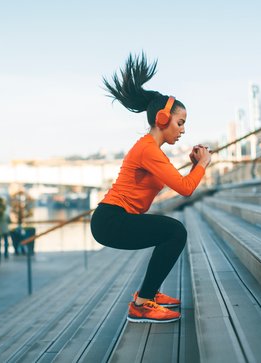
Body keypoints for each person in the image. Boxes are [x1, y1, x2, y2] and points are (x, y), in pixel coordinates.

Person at [90, 53, 211, 324]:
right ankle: (142, 304)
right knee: (174, 232)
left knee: (170, 232)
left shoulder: (152, 150)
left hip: (115, 218)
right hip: (111, 220)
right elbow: (185, 189)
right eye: (180, 123)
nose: (182, 131)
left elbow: (180, 183)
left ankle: (148, 295)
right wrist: (203, 164)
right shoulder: (148, 150)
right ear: (162, 118)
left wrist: (194, 167)